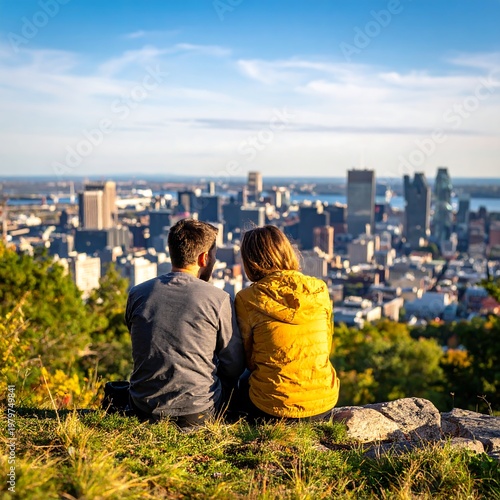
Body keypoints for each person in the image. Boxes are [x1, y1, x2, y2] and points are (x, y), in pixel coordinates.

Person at [126, 219, 245, 429]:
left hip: (143, 408)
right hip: (198, 412)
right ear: (204, 258)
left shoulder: (137, 294)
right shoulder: (219, 299)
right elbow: (233, 365)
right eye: (214, 256)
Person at [234, 225, 340, 421]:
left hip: (273, 408)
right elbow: (326, 343)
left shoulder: (247, 299)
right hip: (324, 402)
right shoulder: (320, 290)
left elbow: (247, 358)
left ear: (250, 262)